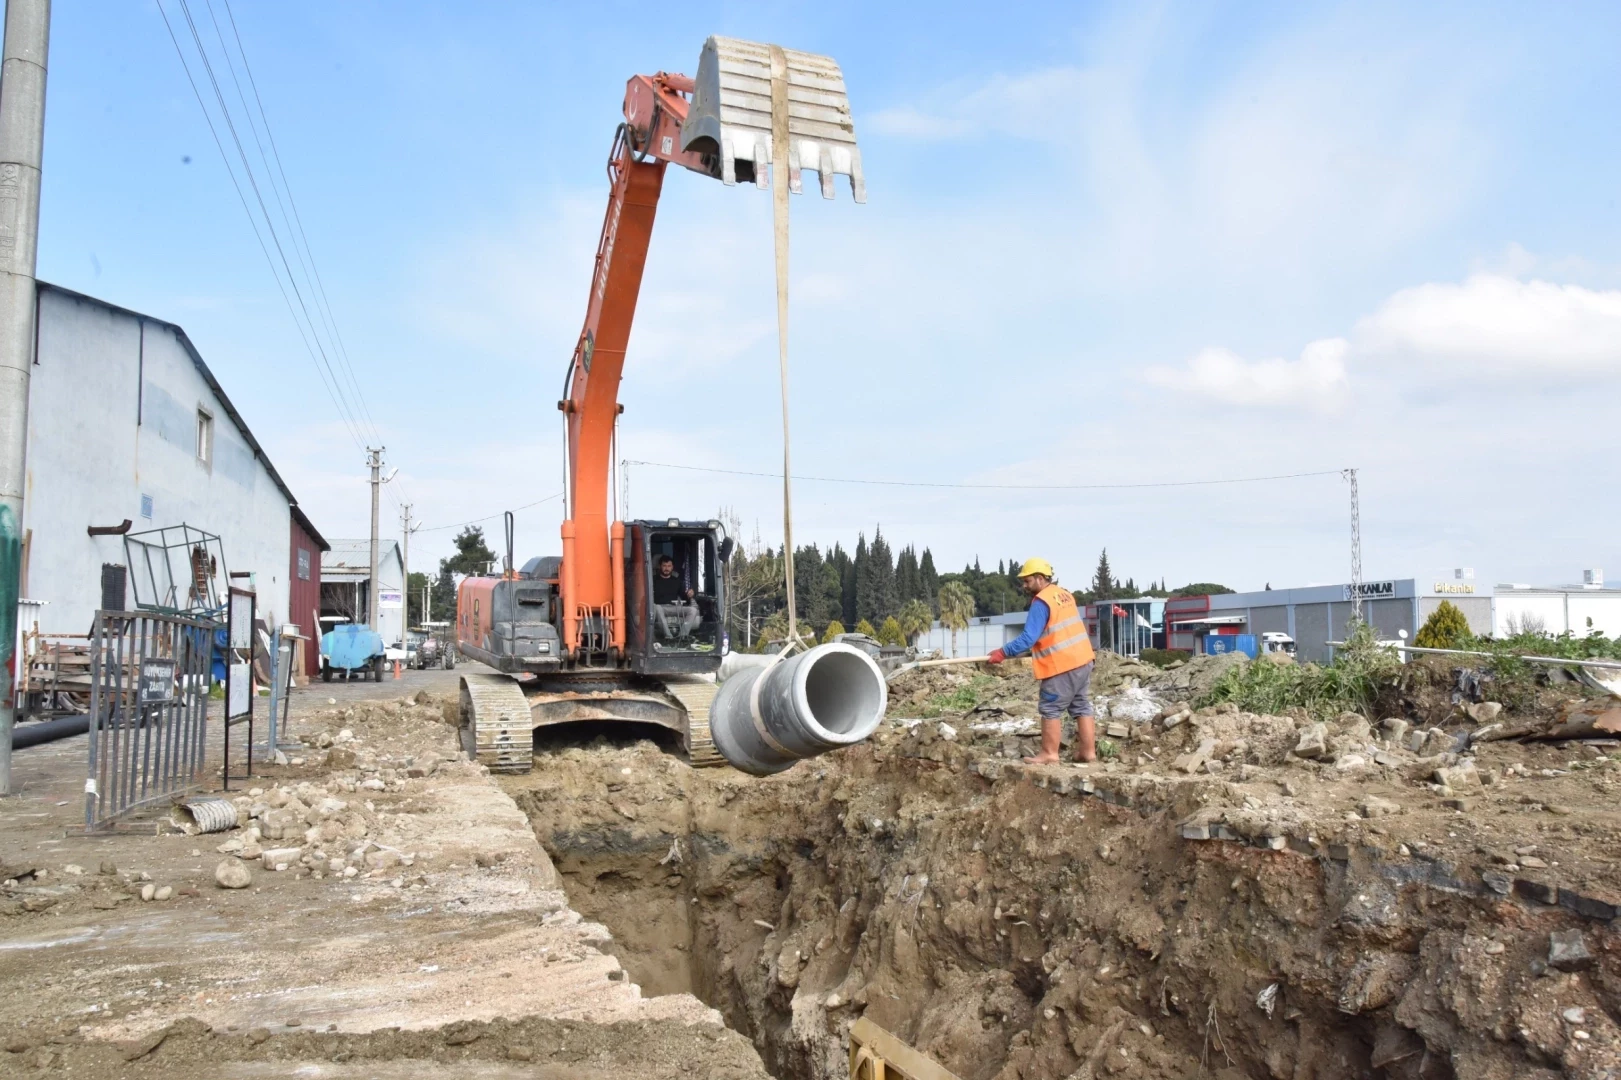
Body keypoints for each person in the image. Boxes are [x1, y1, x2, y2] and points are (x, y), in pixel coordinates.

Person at [987, 557, 1097, 764]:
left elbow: (1029, 638)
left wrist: (1003, 652)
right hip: (1083, 659)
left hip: (1062, 665)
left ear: (1039, 578)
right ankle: (1088, 753)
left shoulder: (1041, 602)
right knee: (1081, 706)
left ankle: (1049, 754)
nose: (1024, 586)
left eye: (1027, 581)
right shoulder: (1064, 595)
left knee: (1050, 708)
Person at [651, 555, 700, 640]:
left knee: (693, 610)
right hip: (659, 608)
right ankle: (668, 637)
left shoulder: (677, 581)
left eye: (669, 566)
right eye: (664, 566)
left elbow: (685, 598)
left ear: (672, 567)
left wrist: (690, 595)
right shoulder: (653, 580)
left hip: (674, 607)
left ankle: (682, 636)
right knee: (657, 607)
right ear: (660, 566)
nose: (667, 568)